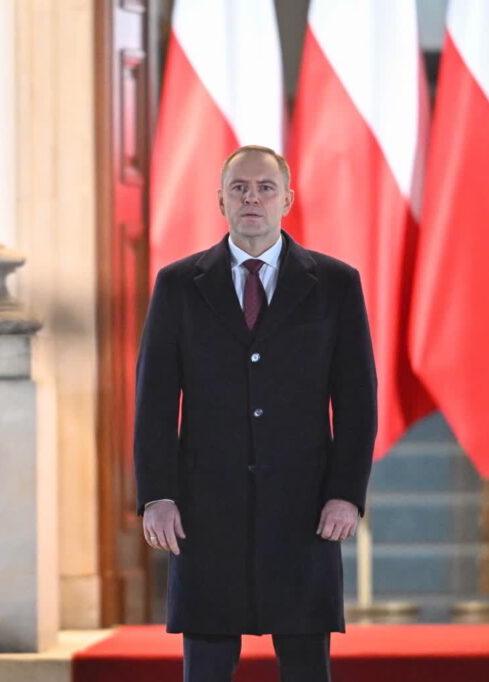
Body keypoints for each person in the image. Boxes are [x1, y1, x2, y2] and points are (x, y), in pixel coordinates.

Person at [134, 145, 377, 682]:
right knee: (206, 668)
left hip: (304, 508)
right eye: (239, 188)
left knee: (307, 666)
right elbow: (154, 402)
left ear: (287, 200)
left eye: (265, 188)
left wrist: (346, 493)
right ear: (219, 200)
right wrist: (157, 495)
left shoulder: (336, 284)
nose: (252, 198)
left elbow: (357, 401)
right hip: (205, 511)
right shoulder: (178, 284)